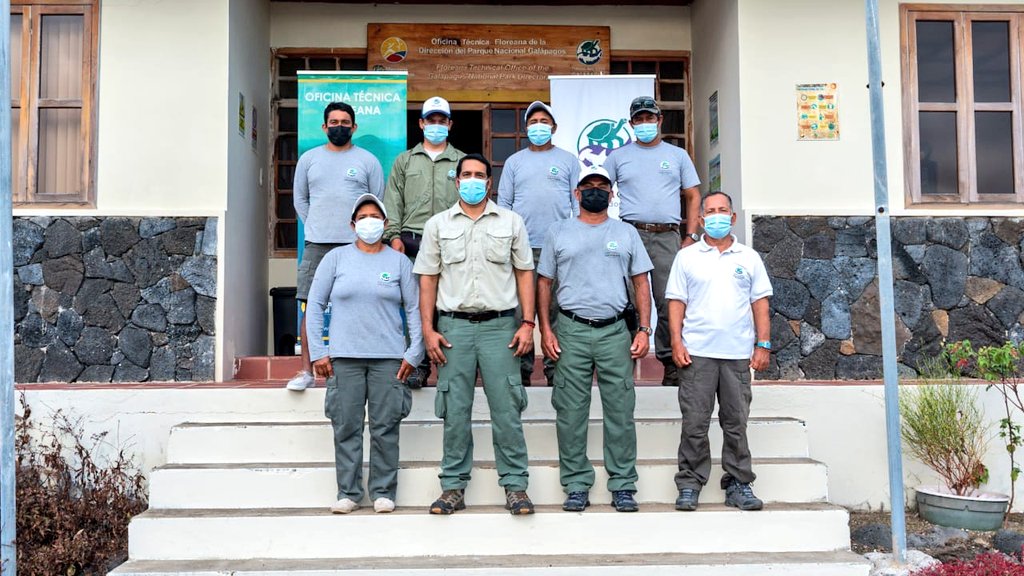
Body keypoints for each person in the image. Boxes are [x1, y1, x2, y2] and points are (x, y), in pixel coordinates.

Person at [414, 153, 536, 516]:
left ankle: (516, 486)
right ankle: (452, 487)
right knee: (454, 410)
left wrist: (528, 323)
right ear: (456, 182)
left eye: (478, 175)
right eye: (465, 174)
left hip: (502, 328)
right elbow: (428, 279)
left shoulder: (511, 222)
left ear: (489, 182)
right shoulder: (437, 225)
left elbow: (525, 273)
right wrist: (427, 329)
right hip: (453, 329)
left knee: (507, 409)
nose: (471, 180)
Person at [537, 165, 653, 513]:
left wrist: (644, 329)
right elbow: (544, 283)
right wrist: (545, 328)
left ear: (611, 194)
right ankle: (575, 483)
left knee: (620, 409)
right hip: (570, 330)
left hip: (614, 332)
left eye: (602, 186)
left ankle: (622, 484)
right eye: (588, 186)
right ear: (576, 194)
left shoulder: (627, 233)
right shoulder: (558, 232)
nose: (595, 191)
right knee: (570, 412)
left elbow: (641, 283)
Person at [305, 193, 423, 514]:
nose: (369, 222)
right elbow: (314, 306)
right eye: (363, 216)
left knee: (385, 426)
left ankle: (383, 491)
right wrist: (319, 351)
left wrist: (414, 353)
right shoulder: (335, 260)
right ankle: (349, 492)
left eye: (375, 216)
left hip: (388, 359)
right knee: (346, 425)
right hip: (344, 359)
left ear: (385, 224)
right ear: (353, 224)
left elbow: (414, 309)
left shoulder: (399, 262)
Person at [666, 191, 773, 512]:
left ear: (733, 217)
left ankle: (739, 483)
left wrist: (763, 344)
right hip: (696, 352)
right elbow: (676, 301)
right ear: (700, 220)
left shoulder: (749, 258)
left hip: (738, 353)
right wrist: (676, 341)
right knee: (695, 423)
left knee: (735, 421)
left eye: (722, 210)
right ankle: (689, 483)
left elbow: (760, 303)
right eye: (709, 211)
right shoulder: (687, 257)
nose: (716, 216)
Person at [603, 96, 701, 388]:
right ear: (631, 123)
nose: (645, 123)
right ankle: (623, 364)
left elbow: (693, 195)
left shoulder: (678, 155)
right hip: (629, 233)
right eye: (639, 119)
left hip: (667, 235)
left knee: (669, 300)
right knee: (626, 301)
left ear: (659, 120)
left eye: (650, 118)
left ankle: (672, 366)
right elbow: (597, 189)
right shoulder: (618, 157)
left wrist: (691, 236)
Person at [288, 101, 384, 392]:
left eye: (345, 122)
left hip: (355, 246)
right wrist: (317, 225)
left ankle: (353, 371)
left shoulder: (368, 161)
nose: (339, 127)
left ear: (354, 127)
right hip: (316, 244)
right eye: (333, 122)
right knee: (310, 306)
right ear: (324, 126)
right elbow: (300, 201)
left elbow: (375, 201)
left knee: (356, 304)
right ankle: (306, 371)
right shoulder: (309, 159)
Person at [385, 96, 466, 388]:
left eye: (441, 120)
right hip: (411, 244)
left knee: (449, 307)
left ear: (449, 124)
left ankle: (449, 365)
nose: (435, 125)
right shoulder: (405, 161)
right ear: (421, 124)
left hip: (452, 242)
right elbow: (392, 201)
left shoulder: (461, 161)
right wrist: (393, 237)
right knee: (417, 308)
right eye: (430, 120)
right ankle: (418, 363)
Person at [498, 100, 580, 387]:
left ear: (554, 127)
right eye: (533, 122)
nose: (538, 127)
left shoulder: (568, 160)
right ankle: (521, 370)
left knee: (556, 309)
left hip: (557, 247)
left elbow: (576, 204)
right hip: (522, 248)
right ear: (525, 128)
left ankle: (554, 368)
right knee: (521, 312)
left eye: (544, 121)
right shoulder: (514, 162)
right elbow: (504, 205)